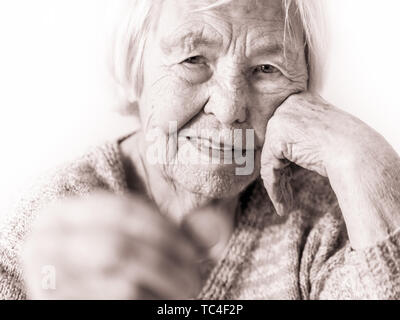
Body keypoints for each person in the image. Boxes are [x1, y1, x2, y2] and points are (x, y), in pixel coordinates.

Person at [1, 0, 400, 300]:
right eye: (193, 59)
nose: (229, 110)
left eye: (266, 69)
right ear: (133, 69)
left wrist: (366, 161)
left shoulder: (327, 215)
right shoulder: (50, 222)